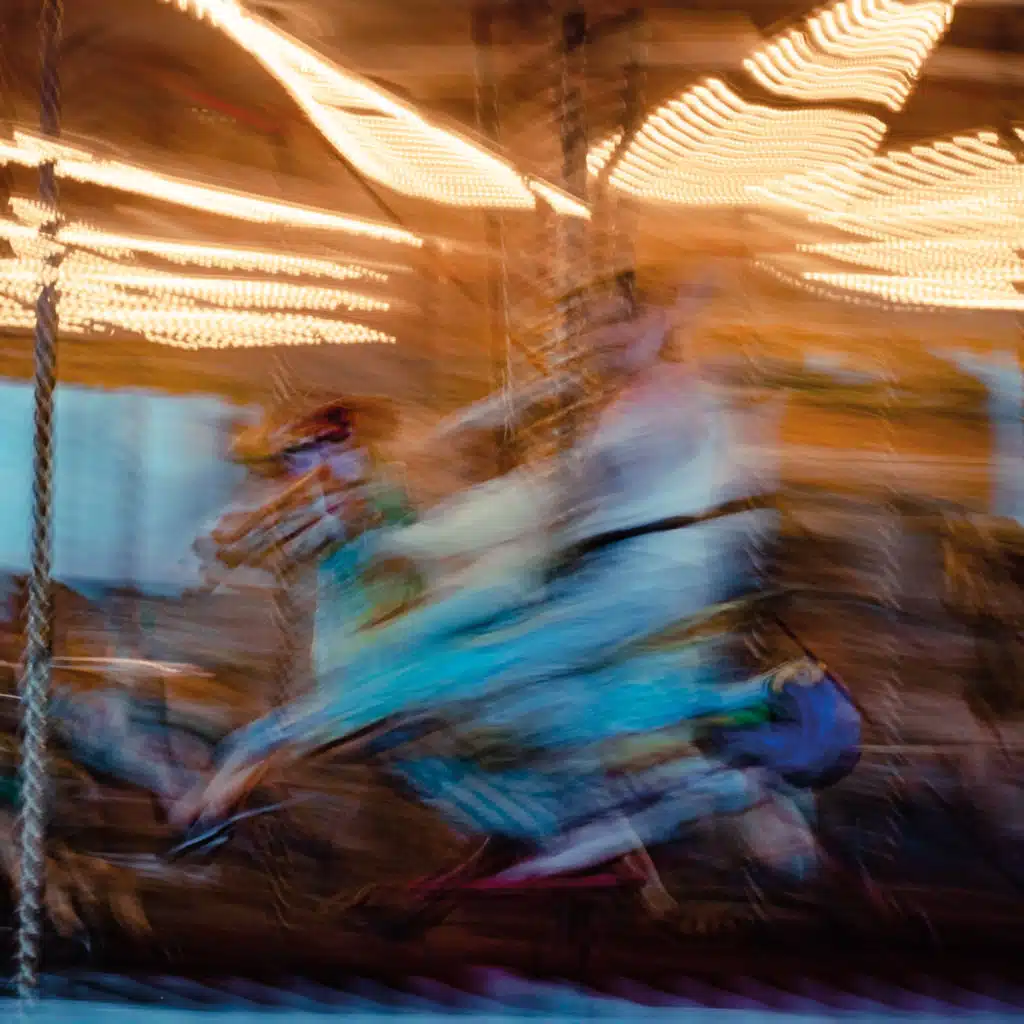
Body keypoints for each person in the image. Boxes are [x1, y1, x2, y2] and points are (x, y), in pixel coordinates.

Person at [171, 278, 781, 873]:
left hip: (631, 582)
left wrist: (443, 530)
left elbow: (560, 500)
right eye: (595, 328)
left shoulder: (668, 404)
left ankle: (681, 792)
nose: (599, 340)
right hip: (611, 575)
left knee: (453, 671)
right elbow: (546, 497)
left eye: (614, 324)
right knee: (450, 682)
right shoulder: (631, 405)